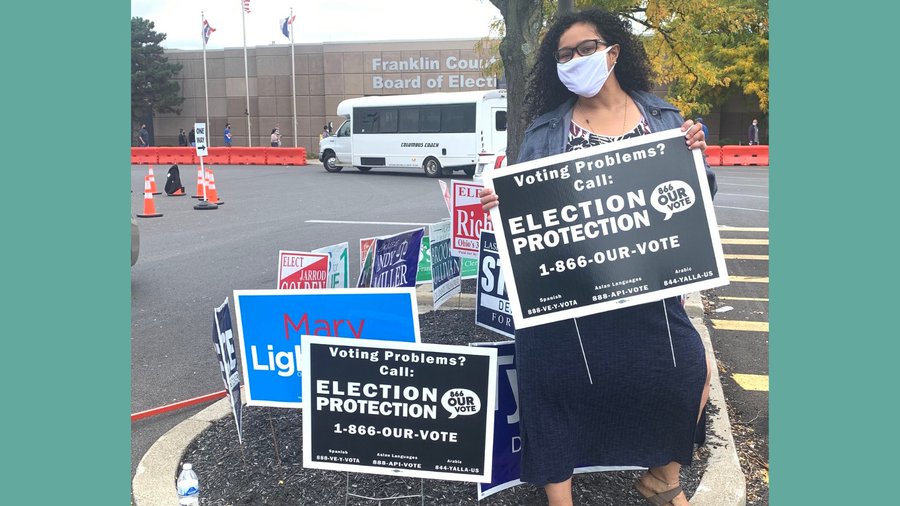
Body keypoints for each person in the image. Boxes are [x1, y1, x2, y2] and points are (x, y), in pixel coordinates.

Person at [479, 9, 715, 506]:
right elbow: (527, 209)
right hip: (567, 290)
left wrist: (696, 158)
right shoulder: (546, 129)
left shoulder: (663, 116)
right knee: (551, 379)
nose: (574, 61)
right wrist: (505, 207)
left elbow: (697, 202)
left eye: (585, 49)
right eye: (564, 55)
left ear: (613, 51)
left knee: (687, 369)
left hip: (647, 282)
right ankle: (560, 498)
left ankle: (663, 478)